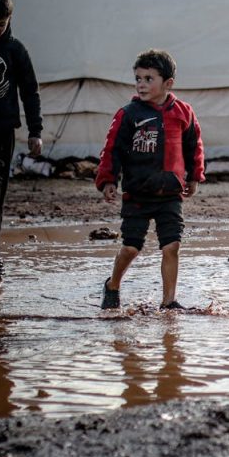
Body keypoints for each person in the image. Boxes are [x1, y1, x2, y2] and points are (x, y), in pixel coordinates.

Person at [95, 49, 204, 310]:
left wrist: (195, 176)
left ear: (168, 83)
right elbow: (112, 149)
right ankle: (113, 284)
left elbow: (194, 146)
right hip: (138, 194)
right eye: (138, 79)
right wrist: (108, 180)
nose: (141, 84)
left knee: (172, 246)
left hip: (170, 194)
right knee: (131, 248)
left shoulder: (183, 112)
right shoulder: (129, 114)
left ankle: (169, 301)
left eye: (148, 79)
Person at [0, 0, 42, 283]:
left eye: (1, 23)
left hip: (0, 133)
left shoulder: (15, 50)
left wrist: (35, 131)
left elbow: (30, 92)